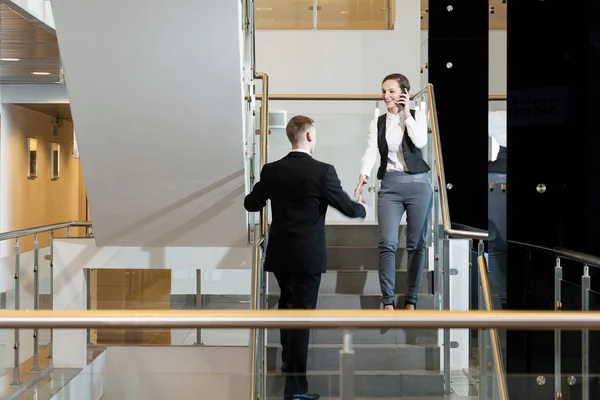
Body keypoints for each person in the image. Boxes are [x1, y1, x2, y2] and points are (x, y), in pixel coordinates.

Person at [244, 115, 368, 400]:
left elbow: (251, 204)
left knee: (287, 310)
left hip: (280, 254)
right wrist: (361, 208)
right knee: (301, 317)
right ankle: (296, 389)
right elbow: (347, 208)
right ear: (310, 136)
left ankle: (291, 373)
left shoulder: (272, 170)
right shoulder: (322, 171)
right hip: (308, 257)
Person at [354, 73, 431, 312]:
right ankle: (387, 299)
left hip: (419, 185)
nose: (385, 96)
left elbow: (419, 142)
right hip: (390, 185)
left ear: (404, 93)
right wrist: (364, 174)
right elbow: (372, 150)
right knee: (387, 242)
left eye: (391, 91)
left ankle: (412, 298)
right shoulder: (378, 122)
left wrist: (406, 114)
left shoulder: (418, 115)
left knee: (416, 244)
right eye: (384, 91)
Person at [487, 110, 507, 309]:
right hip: (497, 173)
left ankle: (504, 298)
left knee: (495, 246)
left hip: (495, 175)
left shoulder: (495, 116)